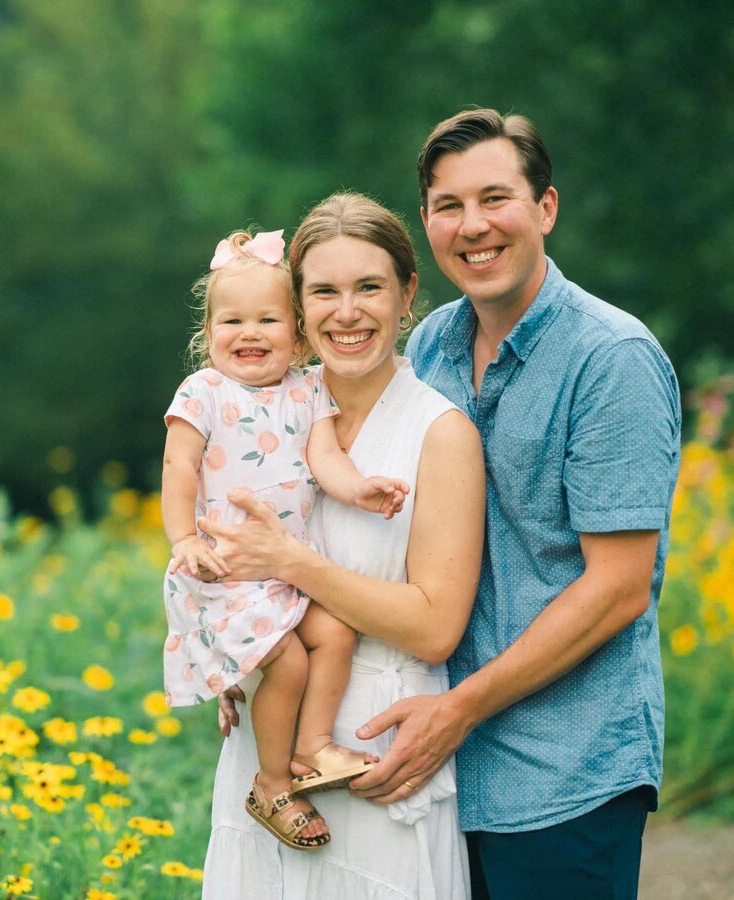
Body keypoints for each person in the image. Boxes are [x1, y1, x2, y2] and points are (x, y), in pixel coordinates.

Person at [352, 108, 681, 898]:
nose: (474, 227)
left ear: (546, 208)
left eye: (495, 198)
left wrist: (459, 710)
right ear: (426, 222)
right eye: (448, 206)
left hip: (567, 769)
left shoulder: (611, 360)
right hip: (437, 773)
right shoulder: (426, 345)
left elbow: (617, 588)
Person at [198, 194, 485, 898]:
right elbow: (214, 552)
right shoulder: (263, 408)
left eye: (370, 288)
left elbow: (437, 626)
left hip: (377, 751)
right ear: (296, 304)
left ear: (407, 293)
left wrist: (294, 565)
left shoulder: (439, 433)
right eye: (323, 290)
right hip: (265, 751)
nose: (346, 312)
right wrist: (235, 651)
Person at [161, 227, 411, 851]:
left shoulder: (307, 390)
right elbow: (179, 470)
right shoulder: (203, 394)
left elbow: (326, 460)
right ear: (208, 332)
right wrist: (182, 539)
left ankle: (312, 744)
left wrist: (358, 490)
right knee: (290, 660)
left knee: (336, 632)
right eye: (231, 321)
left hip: (285, 574)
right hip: (224, 572)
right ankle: (272, 784)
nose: (249, 333)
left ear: (298, 335)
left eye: (268, 320)